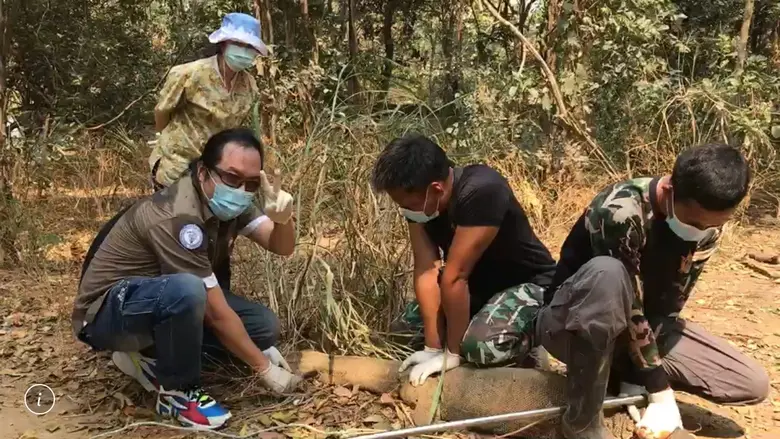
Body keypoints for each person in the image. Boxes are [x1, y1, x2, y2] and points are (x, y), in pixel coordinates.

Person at [73, 128, 301, 430]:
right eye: (232, 178)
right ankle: (178, 392)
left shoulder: (233, 201)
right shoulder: (178, 214)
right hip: (106, 313)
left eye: (252, 183)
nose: (242, 190)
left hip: (161, 299)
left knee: (263, 326)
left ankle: (148, 356)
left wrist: (283, 220)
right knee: (189, 290)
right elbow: (215, 313)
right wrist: (263, 369)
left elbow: (281, 247)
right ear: (204, 172)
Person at [539, 143, 769, 439]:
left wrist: (639, 377)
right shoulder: (619, 212)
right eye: (694, 221)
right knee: (609, 273)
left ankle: (619, 373)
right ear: (670, 188)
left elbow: (671, 304)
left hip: (643, 329)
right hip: (571, 323)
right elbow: (628, 303)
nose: (701, 230)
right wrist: (659, 388)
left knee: (750, 383)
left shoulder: (709, 227)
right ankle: (582, 423)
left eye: (713, 224)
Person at [371, 134, 557, 386]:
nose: (404, 211)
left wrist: (452, 354)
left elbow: (455, 276)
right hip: (477, 289)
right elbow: (427, 268)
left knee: (482, 348)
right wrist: (432, 347)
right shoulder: (421, 205)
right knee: (402, 332)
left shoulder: (482, 191)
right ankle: (475, 329)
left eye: (406, 204)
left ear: (435, 189)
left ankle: (531, 339)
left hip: (529, 285)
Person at [149, 12, 267, 191]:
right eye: (238, 44)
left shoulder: (249, 85)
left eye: (249, 47)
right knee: (175, 215)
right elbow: (162, 112)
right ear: (224, 43)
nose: (243, 51)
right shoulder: (189, 74)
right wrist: (164, 138)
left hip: (216, 173)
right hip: (178, 166)